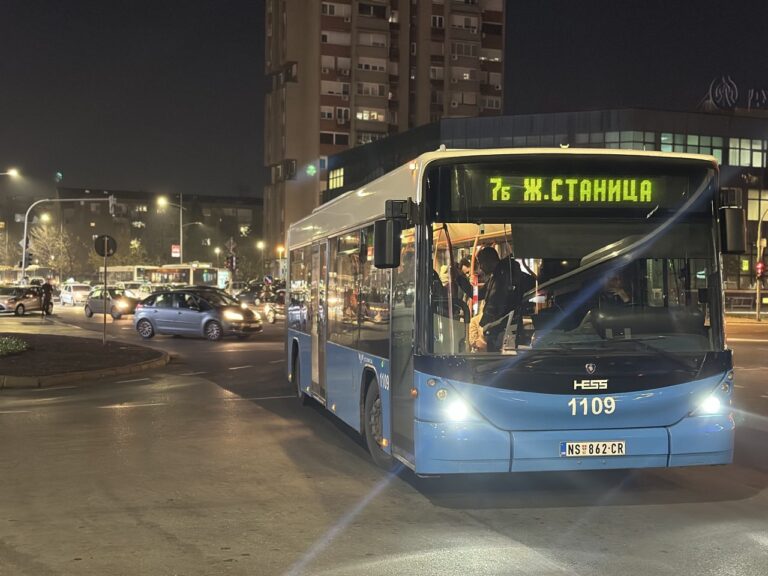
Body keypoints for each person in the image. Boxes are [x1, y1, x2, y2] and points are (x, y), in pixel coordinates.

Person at [477, 246, 533, 351]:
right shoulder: (496, 276)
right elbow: (477, 294)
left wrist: (488, 324)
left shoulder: (504, 276)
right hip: (503, 326)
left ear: (489, 261)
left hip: (502, 327)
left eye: (481, 263)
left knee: (501, 357)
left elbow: (498, 306)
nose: (480, 267)